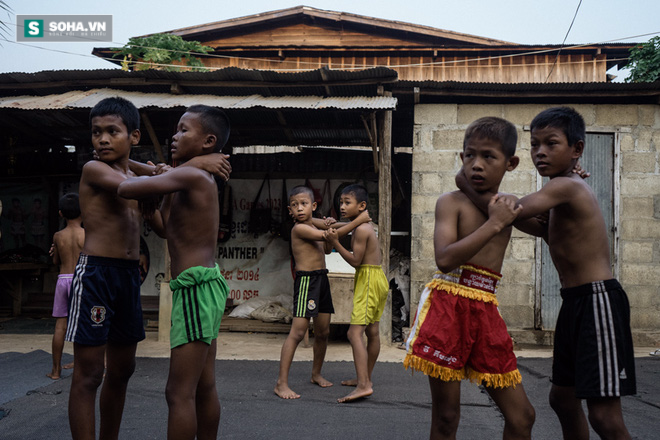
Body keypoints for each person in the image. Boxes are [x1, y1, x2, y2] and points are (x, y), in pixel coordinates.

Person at [457, 107, 636, 440]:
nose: (540, 152)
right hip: (575, 304)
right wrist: (486, 199)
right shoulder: (559, 192)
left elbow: (506, 213)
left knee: (604, 416)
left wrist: (463, 183)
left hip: (598, 302)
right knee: (563, 400)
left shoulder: (566, 188)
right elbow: (520, 220)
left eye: (551, 144)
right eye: (535, 144)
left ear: (577, 149)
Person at [65, 97, 232, 440]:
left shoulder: (147, 173)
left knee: (123, 370)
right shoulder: (95, 170)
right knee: (90, 373)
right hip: (97, 273)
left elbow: (157, 203)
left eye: (113, 131)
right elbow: (139, 188)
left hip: (128, 277)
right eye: (96, 132)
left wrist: (171, 171)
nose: (103, 140)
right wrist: (197, 161)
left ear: (134, 136)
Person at [405, 117, 535, 440]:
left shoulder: (509, 206)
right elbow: (445, 259)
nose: (476, 165)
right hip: (449, 306)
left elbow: (548, 225)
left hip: (486, 310)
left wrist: (570, 176)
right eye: (469, 155)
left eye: (488, 156)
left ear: (511, 162)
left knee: (522, 417)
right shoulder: (451, 202)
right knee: (447, 417)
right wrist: (494, 224)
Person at [118, 104, 231, 440]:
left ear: (208, 141)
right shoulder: (186, 175)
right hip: (201, 285)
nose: (174, 135)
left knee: (178, 392)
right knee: (203, 384)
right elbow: (167, 228)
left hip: (196, 289)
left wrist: (189, 164)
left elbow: (125, 188)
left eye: (184, 130)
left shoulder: (192, 174)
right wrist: (152, 206)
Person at [274, 185, 370, 400]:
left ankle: (316, 374)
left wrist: (330, 225)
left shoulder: (312, 222)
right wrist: (358, 221)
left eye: (304, 204)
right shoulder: (299, 228)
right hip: (307, 282)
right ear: (290, 210)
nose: (299, 208)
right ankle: (281, 383)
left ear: (313, 206)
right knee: (297, 333)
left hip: (322, 280)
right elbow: (331, 235)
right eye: (294, 205)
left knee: (323, 332)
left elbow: (330, 236)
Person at [323, 184, 388, 403]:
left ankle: (363, 384)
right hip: (377, 278)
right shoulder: (362, 224)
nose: (342, 206)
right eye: (341, 202)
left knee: (353, 334)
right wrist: (332, 225)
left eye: (347, 203)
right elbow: (344, 225)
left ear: (361, 206)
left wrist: (334, 244)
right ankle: (364, 377)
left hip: (368, 279)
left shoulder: (361, 229)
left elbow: (355, 260)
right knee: (373, 332)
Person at [47, 193, 84, 380]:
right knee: (84, 323)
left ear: (61, 214)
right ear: (83, 212)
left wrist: (54, 251)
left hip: (63, 278)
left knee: (60, 325)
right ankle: (86, 365)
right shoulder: (85, 234)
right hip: (81, 280)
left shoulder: (58, 235)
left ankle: (56, 370)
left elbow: (55, 261)